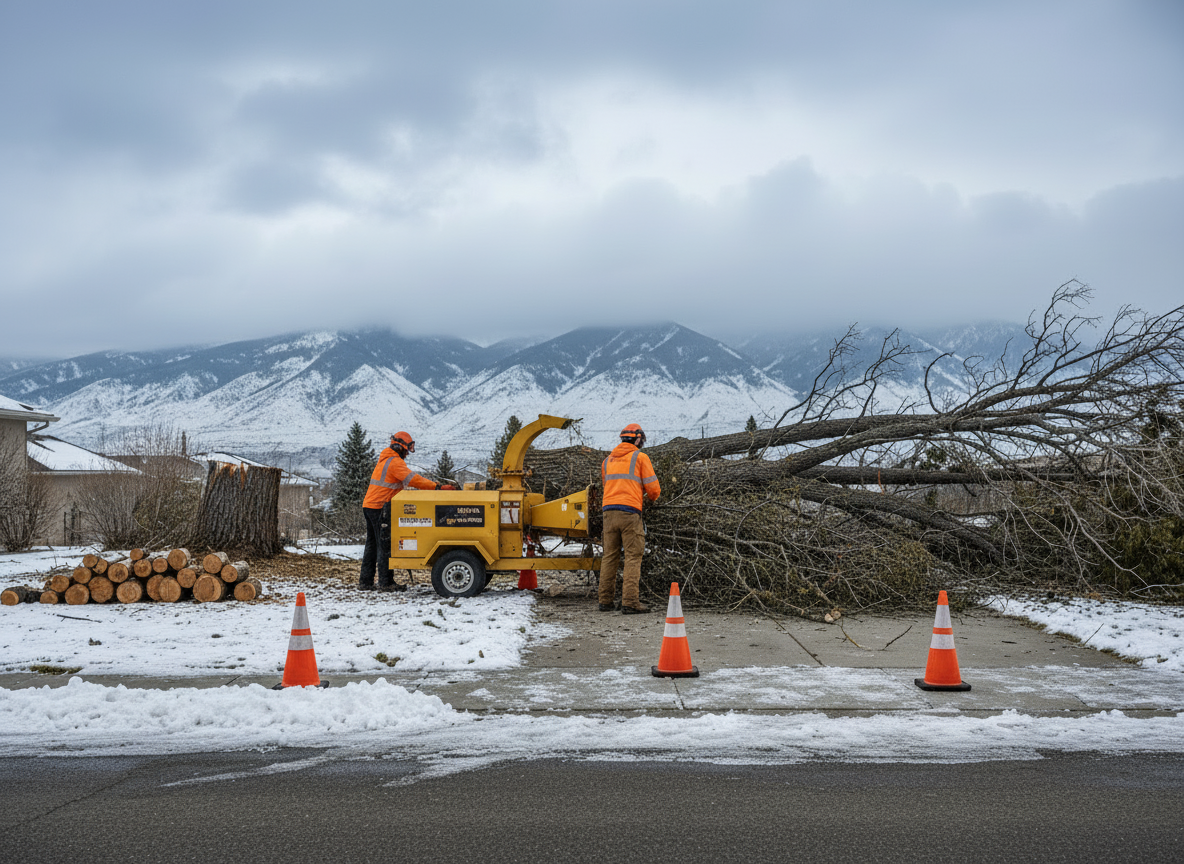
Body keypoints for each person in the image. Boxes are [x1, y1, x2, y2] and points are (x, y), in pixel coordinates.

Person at [359, 431, 454, 591]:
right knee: (384, 546)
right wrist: (437, 487)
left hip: (370, 506)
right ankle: (386, 583)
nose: (407, 454)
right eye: (406, 451)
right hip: (380, 508)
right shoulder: (395, 462)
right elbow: (413, 480)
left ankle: (365, 582)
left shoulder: (385, 460)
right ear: (400, 447)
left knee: (372, 545)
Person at [599, 423, 661, 613]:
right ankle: (630, 602)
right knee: (633, 556)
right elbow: (654, 489)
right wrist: (651, 499)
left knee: (609, 556)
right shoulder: (640, 457)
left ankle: (605, 601)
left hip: (608, 512)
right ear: (637, 439)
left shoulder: (607, 461)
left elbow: (606, 485)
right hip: (629, 512)